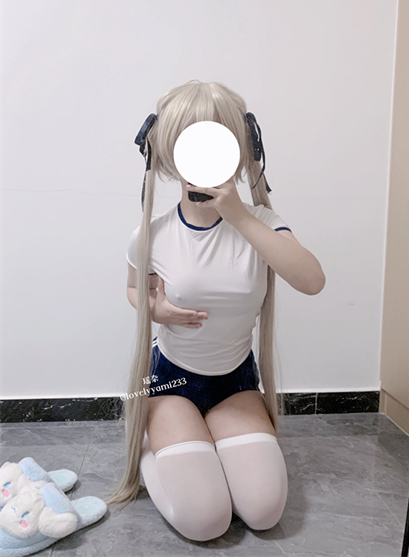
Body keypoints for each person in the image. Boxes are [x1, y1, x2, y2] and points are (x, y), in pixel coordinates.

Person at [106, 80, 326, 541]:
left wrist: (239, 214)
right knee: (206, 520)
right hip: (171, 382)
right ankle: (151, 443)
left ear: (239, 150)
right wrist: (158, 311)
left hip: (235, 382)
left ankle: (203, 443)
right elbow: (133, 290)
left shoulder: (261, 224)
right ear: (168, 153)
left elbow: (311, 281)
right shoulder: (152, 234)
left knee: (264, 512)